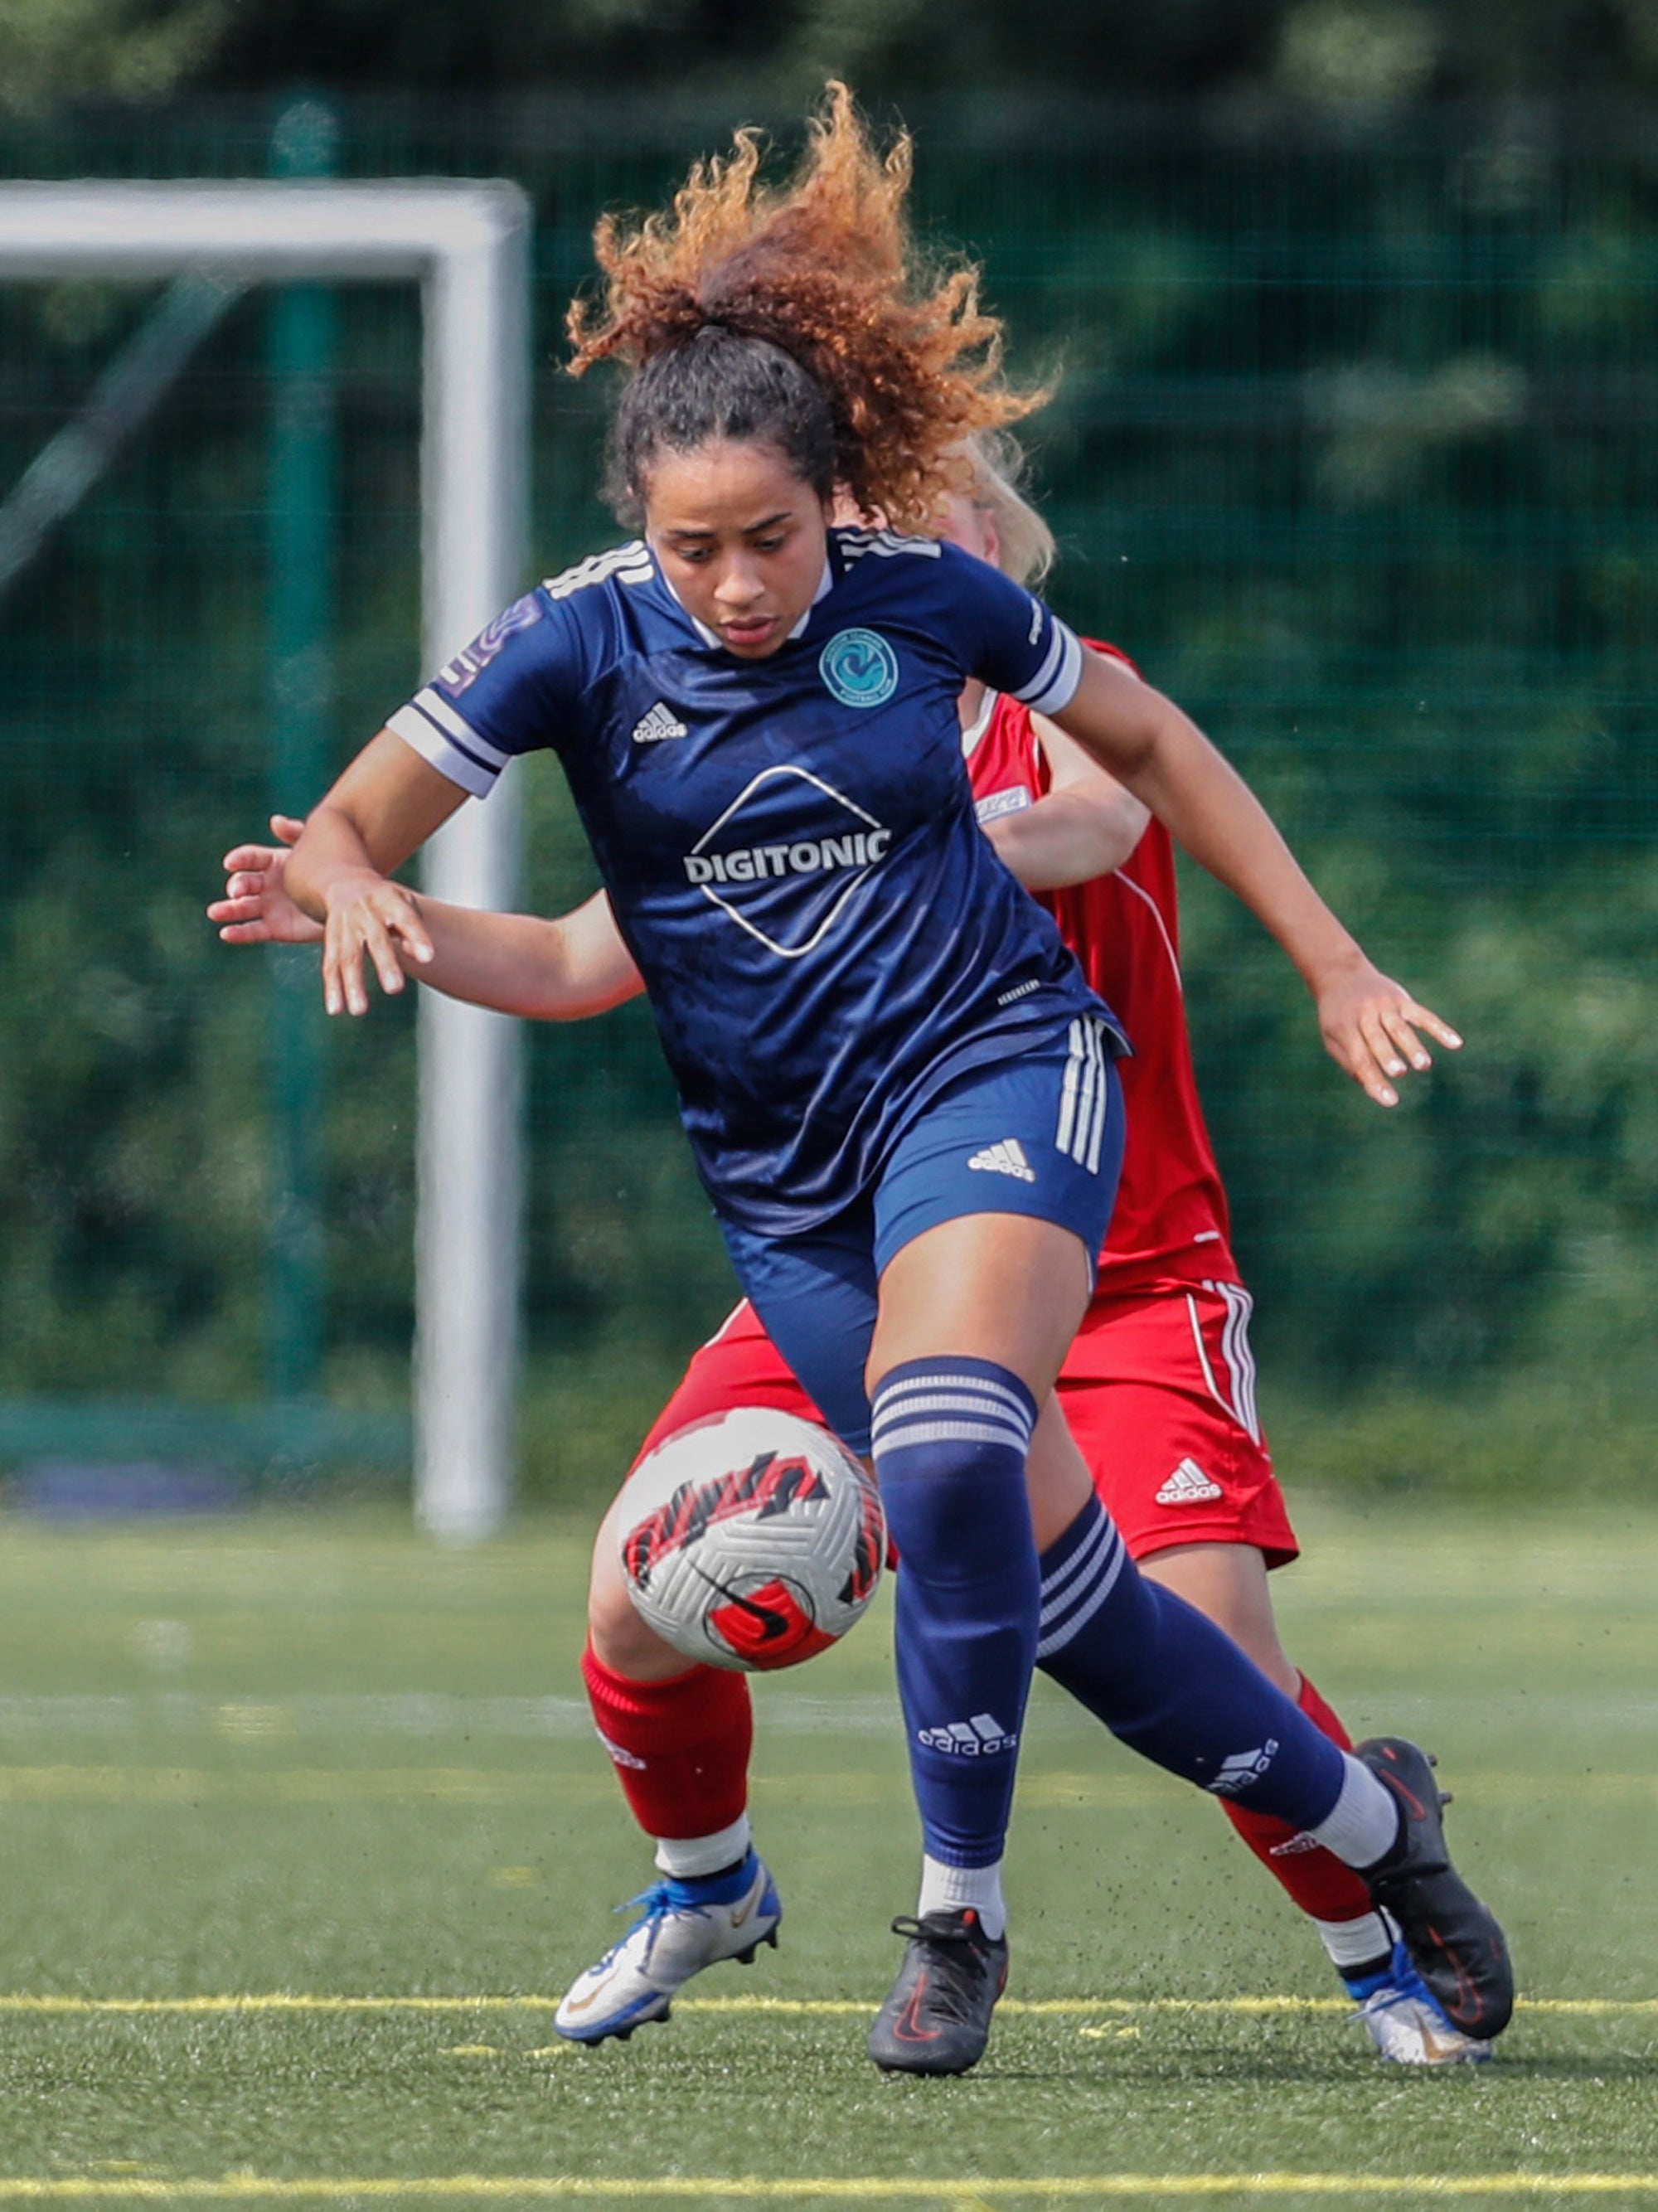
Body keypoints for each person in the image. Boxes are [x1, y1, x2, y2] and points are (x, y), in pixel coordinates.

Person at [241, 86, 1510, 2075]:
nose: (752, 585)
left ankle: (971, 1921)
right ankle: (1339, 1823)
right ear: (645, 531)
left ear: (894, 525)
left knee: (943, 1457)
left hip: (1025, 1129)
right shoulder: (593, 645)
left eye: (792, 539)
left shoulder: (955, 662)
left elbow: (1106, 793)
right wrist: (351, 890)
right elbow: (560, 938)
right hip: (801, 1192)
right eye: (704, 548)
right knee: (879, 1592)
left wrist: (1331, 957)